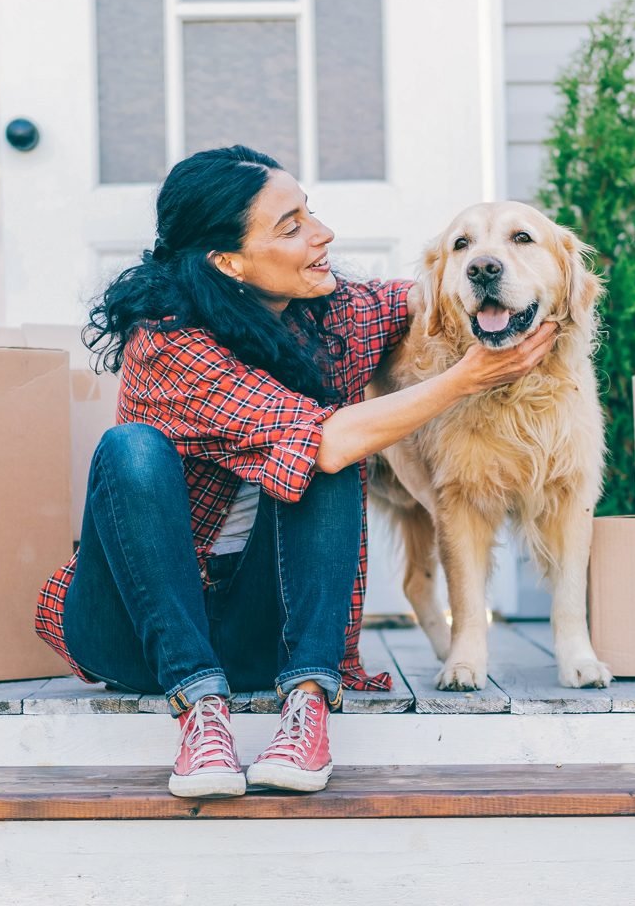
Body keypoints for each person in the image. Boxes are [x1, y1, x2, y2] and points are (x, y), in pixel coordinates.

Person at [33, 145, 557, 799]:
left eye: (311, 213)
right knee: (133, 450)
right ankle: (201, 716)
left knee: (326, 448)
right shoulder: (168, 345)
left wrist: (524, 288)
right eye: (291, 226)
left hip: (260, 632)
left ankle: (306, 709)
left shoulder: (329, 315)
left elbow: (430, 297)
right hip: (136, 632)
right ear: (229, 262)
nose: (322, 234)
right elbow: (324, 439)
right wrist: (464, 380)